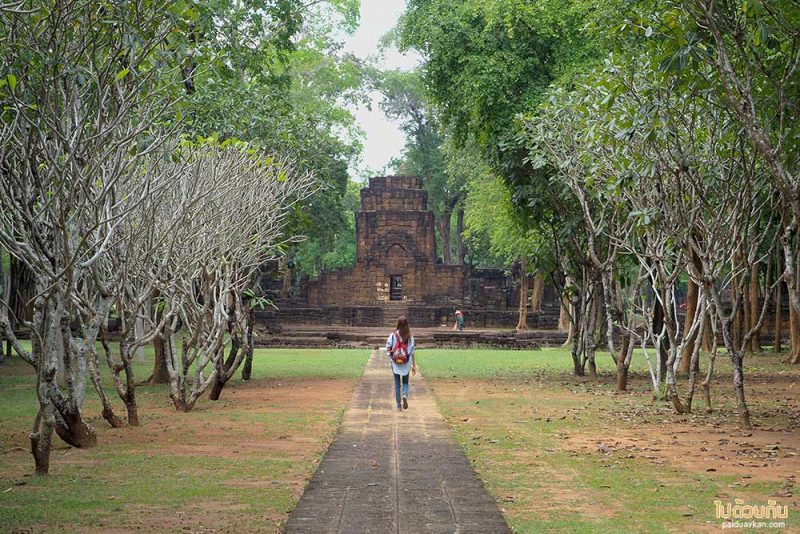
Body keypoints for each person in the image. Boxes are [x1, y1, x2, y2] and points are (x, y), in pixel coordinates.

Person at [386, 316, 417, 411]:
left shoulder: (393, 335)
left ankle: (399, 406)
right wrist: (414, 366)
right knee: (405, 381)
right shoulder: (410, 336)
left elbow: (388, 349)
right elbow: (412, 352)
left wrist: (392, 356)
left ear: (398, 324)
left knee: (397, 383)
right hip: (406, 362)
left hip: (396, 362)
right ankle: (405, 395)